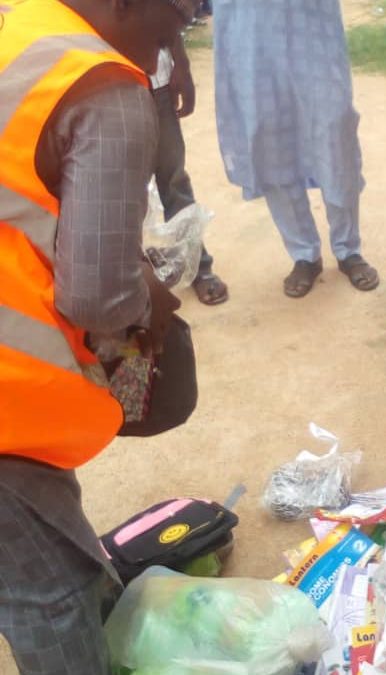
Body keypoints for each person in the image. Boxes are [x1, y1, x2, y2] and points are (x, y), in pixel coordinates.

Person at [0, 0, 191, 671]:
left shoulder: (21, 29)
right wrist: (150, 297)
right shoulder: (104, 88)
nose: (168, 48)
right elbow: (99, 298)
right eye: (172, 23)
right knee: (49, 589)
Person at [213, 0, 379, 298]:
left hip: (313, 32)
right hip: (250, 38)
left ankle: (348, 248)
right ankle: (304, 254)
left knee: (334, 131)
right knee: (269, 140)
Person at [151, 41, 229, 305]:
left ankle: (198, 266)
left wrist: (181, 64)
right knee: (114, 187)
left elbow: (166, 9)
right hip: (97, 82)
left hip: (154, 82)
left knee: (173, 180)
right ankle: (128, 276)